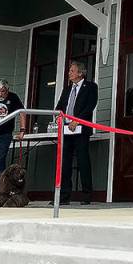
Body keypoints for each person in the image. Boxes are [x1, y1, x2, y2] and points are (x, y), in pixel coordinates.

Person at [55, 60, 98, 205]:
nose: (69, 73)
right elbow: (61, 105)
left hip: (80, 129)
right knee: (65, 163)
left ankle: (86, 195)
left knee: (83, 161)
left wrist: (77, 120)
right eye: (69, 71)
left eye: (72, 71)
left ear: (80, 73)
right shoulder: (67, 89)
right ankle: (63, 196)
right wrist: (58, 117)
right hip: (66, 130)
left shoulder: (90, 87)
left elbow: (90, 106)